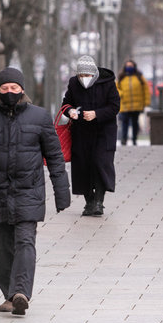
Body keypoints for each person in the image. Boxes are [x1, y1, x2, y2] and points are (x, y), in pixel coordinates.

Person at [0, 67, 71, 316]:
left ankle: (21, 292)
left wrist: (61, 192)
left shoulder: (40, 117)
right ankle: (9, 296)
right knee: (3, 248)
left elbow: (54, 156)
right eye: (4, 88)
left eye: (14, 88)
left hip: (28, 192)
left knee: (24, 242)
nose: (9, 92)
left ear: (22, 89)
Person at [62, 55, 120, 216]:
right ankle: (89, 201)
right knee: (82, 165)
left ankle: (99, 202)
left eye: (87, 76)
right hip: (81, 132)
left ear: (94, 74)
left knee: (100, 162)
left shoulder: (107, 83)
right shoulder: (74, 84)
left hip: (104, 132)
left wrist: (96, 114)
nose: (84, 79)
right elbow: (66, 103)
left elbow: (115, 106)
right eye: (81, 75)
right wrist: (70, 111)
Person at [116, 59, 151, 145]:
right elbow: (116, 89)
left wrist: (146, 103)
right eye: (127, 66)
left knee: (135, 123)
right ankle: (124, 139)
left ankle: (134, 139)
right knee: (125, 123)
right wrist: (121, 94)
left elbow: (146, 90)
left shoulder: (139, 77)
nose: (129, 67)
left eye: (131, 66)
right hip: (124, 105)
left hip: (137, 105)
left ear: (134, 67)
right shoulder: (121, 77)